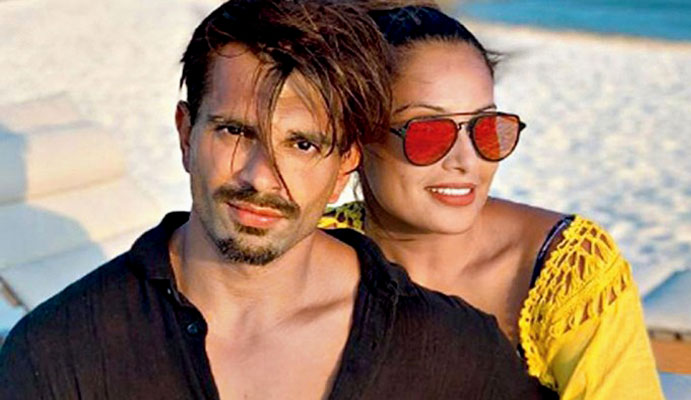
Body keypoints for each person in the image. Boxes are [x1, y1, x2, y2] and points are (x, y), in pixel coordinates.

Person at [0, 1, 547, 398]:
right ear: (186, 133)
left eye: (303, 144)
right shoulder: (61, 353)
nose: (263, 177)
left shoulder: (451, 353)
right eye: (236, 131)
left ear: (346, 162)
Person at [320, 5, 664, 399]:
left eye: (486, 129)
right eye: (429, 133)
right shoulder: (313, 250)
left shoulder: (563, 270)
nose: (467, 160)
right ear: (358, 137)